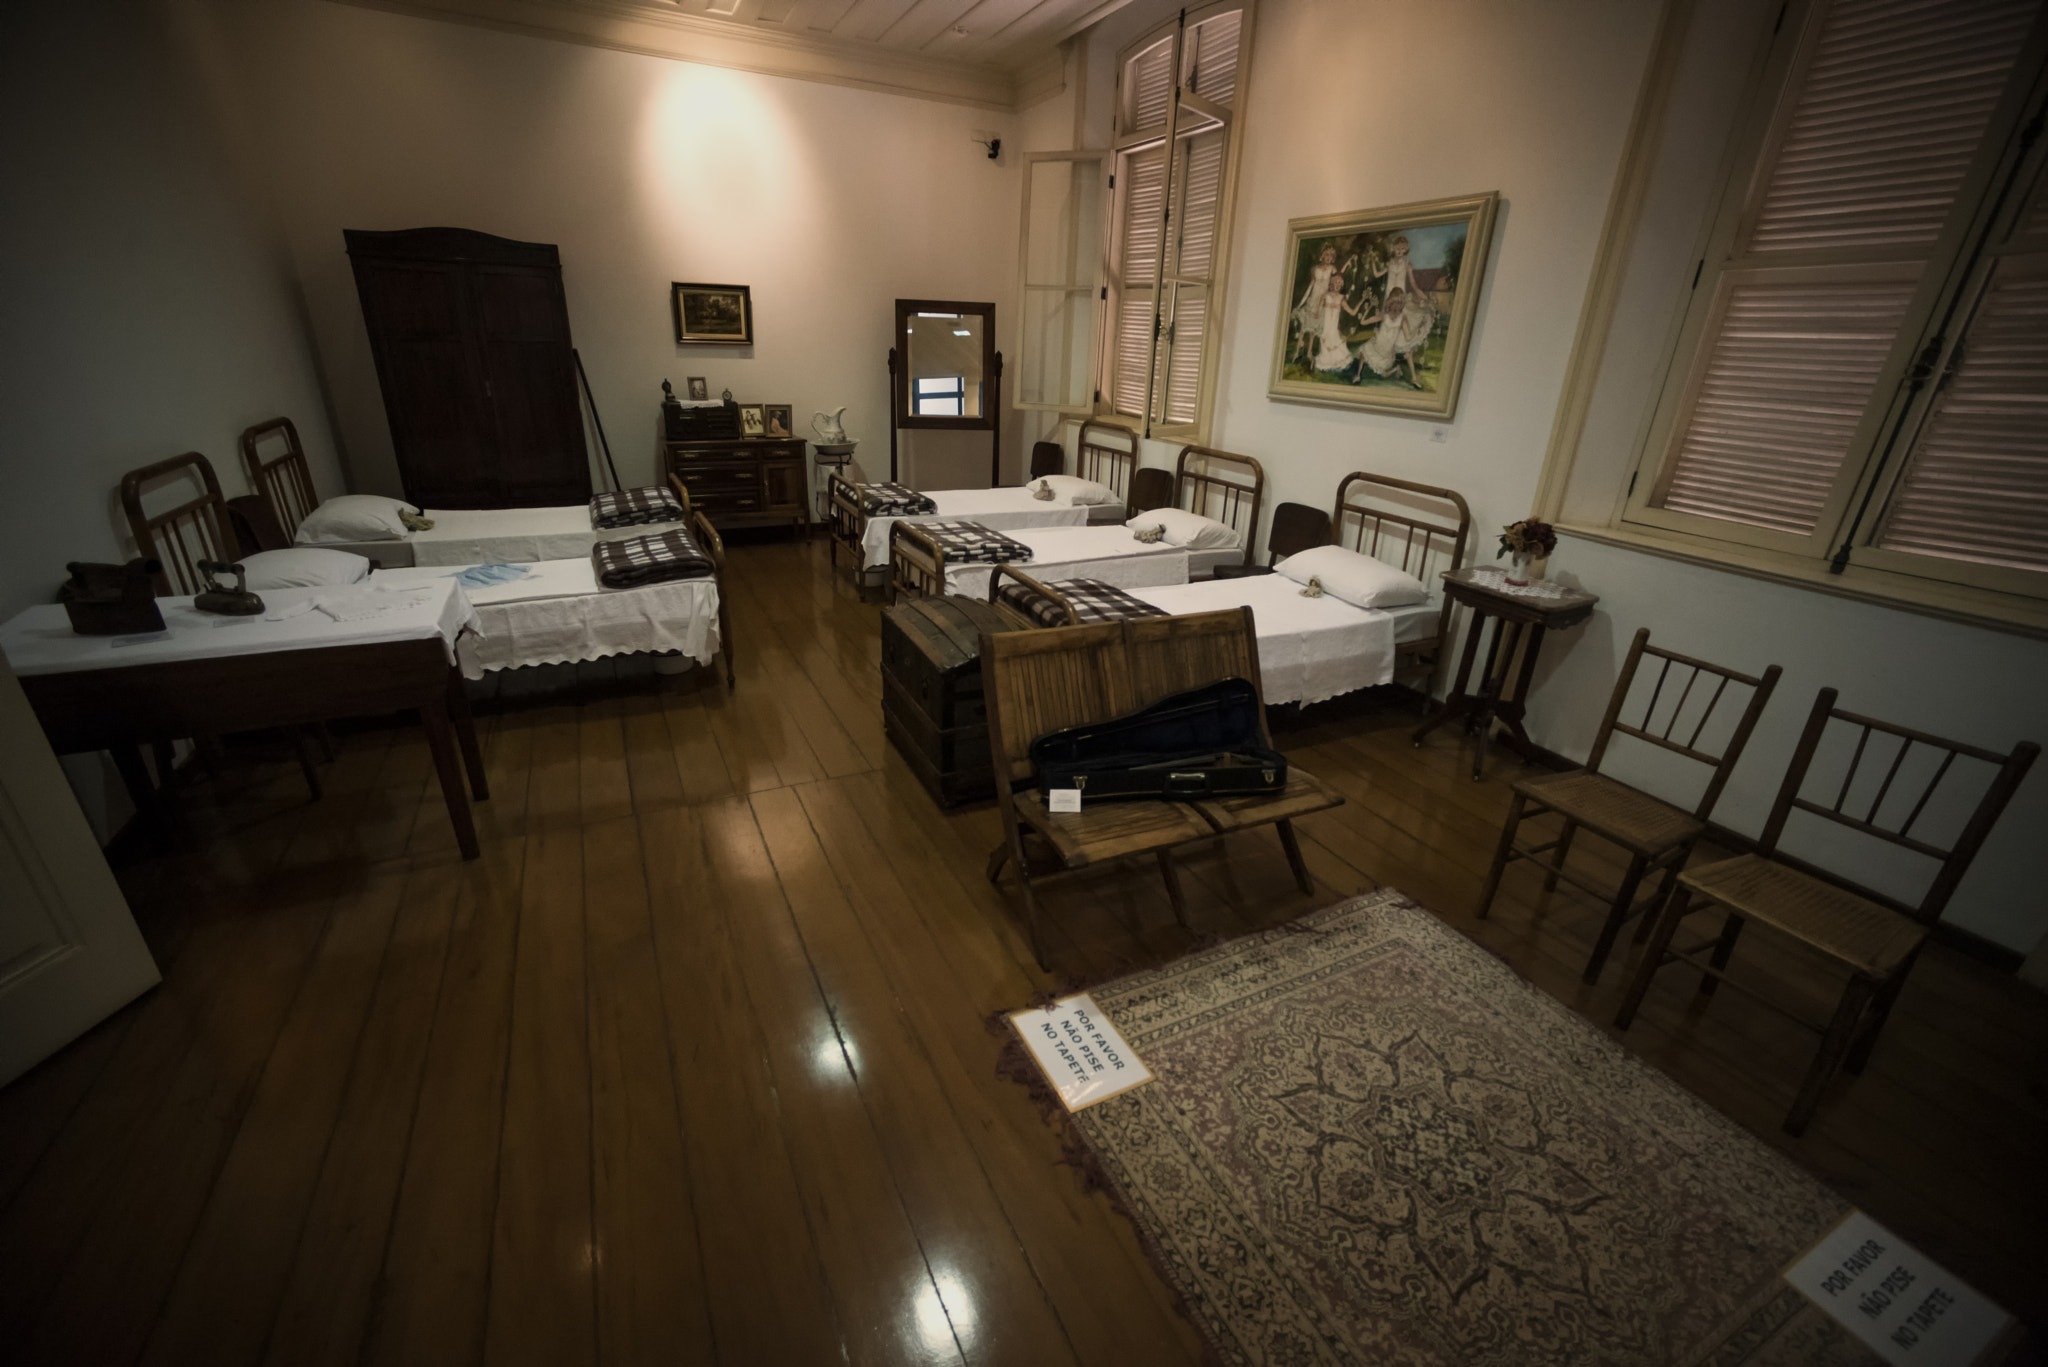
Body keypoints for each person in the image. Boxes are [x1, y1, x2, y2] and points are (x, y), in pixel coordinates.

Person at [1345, 288, 1430, 389]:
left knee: (1384, 374)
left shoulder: (1403, 318)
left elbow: (1407, 337)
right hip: (1378, 345)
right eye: (1394, 303)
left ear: (1402, 304)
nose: (1397, 306)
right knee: (1364, 350)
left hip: (1387, 352)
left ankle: (1396, 369)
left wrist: (1417, 330)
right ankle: (1358, 375)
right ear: (1390, 302)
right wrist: (1370, 307)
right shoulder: (1384, 314)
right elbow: (1363, 322)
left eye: (1399, 303)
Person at [1291, 243, 1355, 368]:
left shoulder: (1332, 268)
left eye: (1330, 256)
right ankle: (1297, 352)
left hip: (1323, 301)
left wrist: (1347, 264)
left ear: (1332, 258)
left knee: (1314, 330)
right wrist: (1300, 304)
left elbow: (1339, 277)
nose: (1328, 257)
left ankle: (1309, 353)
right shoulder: (1314, 269)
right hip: (1313, 300)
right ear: (1321, 256)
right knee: (1304, 328)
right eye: (1326, 255)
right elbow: (1310, 287)